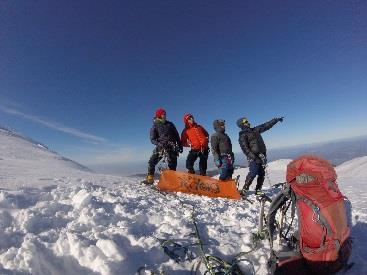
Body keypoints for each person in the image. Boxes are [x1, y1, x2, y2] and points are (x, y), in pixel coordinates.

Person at [237, 116, 283, 195]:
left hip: (262, 155)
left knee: (262, 173)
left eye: (247, 121)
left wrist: (275, 120)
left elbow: (265, 126)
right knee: (253, 172)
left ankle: (258, 190)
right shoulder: (242, 135)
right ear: (242, 124)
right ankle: (245, 189)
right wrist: (254, 157)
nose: (248, 122)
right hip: (253, 157)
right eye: (245, 122)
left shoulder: (255, 130)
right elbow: (245, 149)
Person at [144, 108, 183, 184]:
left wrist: (180, 145)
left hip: (172, 146)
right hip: (161, 147)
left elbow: (176, 135)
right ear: (159, 115)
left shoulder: (170, 124)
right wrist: (160, 144)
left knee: (172, 165)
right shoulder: (155, 126)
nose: (164, 115)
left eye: (165, 114)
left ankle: (172, 181)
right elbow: (152, 139)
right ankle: (150, 179)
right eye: (163, 114)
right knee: (152, 162)